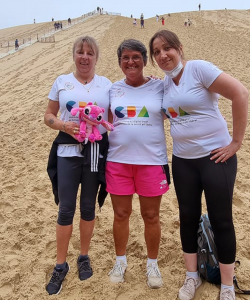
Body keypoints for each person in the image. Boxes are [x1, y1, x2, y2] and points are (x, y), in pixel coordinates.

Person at [149, 30, 248, 300]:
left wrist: (235, 142)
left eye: (167, 48)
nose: (162, 55)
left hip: (216, 158)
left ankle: (227, 286)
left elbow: (240, 94)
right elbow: (162, 113)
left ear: (180, 48)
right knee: (187, 218)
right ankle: (192, 277)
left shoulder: (198, 69)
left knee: (221, 219)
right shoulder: (164, 85)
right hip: (183, 161)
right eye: (156, 52)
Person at [44, 36, 111, 295]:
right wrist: (64, 125)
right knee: (66, 208)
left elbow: (120, 107)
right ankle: (61, 265)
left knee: (88, 207)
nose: (85, 57)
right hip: (67, 151)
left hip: (95, 151)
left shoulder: (106, 84)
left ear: (96, 57)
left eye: (90, 53)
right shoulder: (62, 81)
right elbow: (49, 116)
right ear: (74, 55)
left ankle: (83, 256)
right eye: (80, 52)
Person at [106, 39, 170, 289]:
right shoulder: (112, 89)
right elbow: (105, 120)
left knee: (151, 215)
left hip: (152, 161)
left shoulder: (160, 86)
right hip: (118, 161)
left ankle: (152, 263)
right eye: (125, 58)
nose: (130, 62)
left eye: (135, 57)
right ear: (120, 62)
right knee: (121, 214)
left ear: (145, 60)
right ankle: (120, 262)